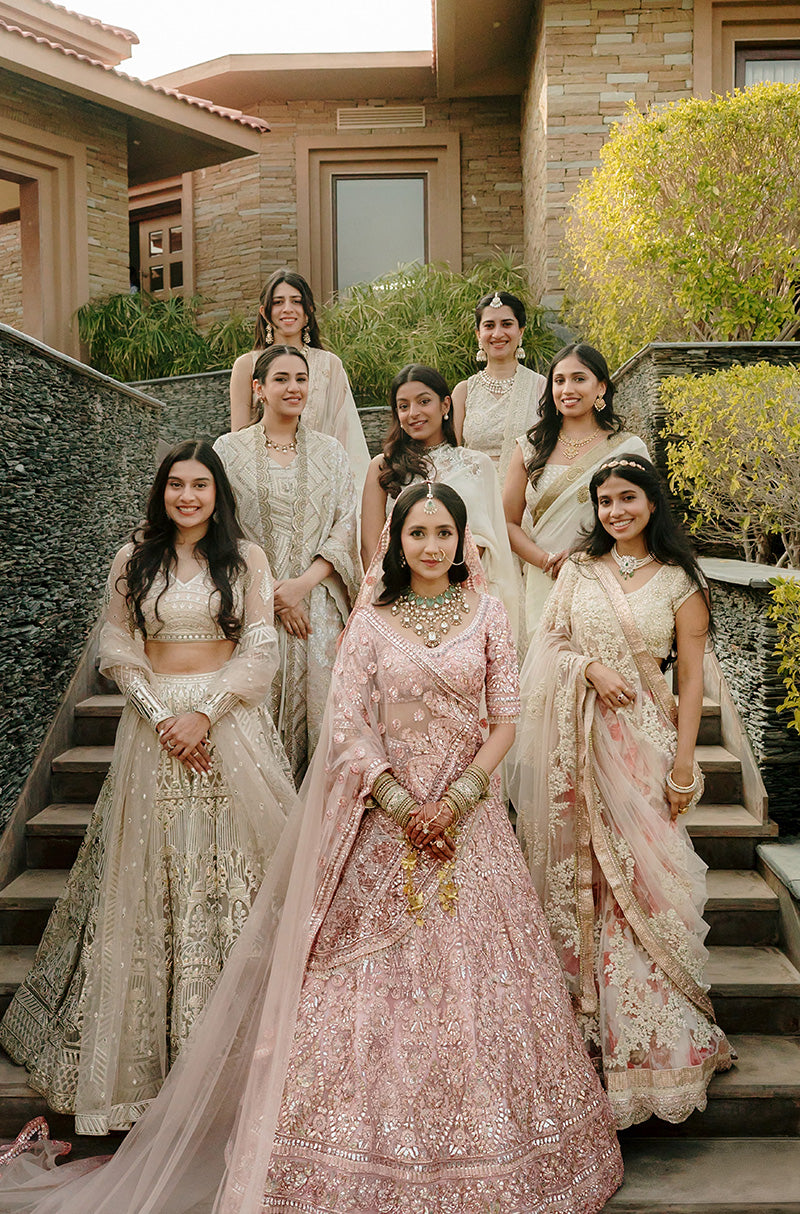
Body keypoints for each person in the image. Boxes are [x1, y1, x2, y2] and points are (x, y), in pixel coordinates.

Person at [0, 483, 623, 1214]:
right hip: (382, 824)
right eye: (416, 532)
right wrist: (394, 798)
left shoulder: (488, 612)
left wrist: (456, 800)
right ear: (395, 541)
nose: (430, 545)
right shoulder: (372, 619)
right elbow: (348, 721)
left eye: (443, 533)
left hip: (468, 828)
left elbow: (506, 718)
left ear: (464, 542)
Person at [0, 442, 296, 1137]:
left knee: (233, 876)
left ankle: (237, 1055)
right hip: (154, 732)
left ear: (218, 493)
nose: (187, 497)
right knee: (156, 879)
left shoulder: (246, 558)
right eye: (175, 486)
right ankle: (156, 1065)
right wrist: (166, 717)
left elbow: (261, 647)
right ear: (161, 493)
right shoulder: (133, 560)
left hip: (229, 728)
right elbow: (117, 648)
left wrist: (207, 713)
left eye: (199, 485)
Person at [510, 453, 733, 1130]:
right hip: (575, 750)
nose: (615, 511)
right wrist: (589, 668)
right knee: (589, 885)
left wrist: (685, 765)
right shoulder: (576, 571)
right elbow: (544, 648)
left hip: (643, 750)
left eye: (628, 499)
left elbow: (690, 680)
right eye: (605, 501)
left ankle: (656, 1052)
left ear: (651, 504)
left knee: (645, 884)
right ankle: (582, 1042)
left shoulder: (681, 582)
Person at [215, 345, 360, 783]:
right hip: (251, 608)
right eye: (281, 379)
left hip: (318, 610)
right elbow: (222, 527)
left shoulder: (331, 453)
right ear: (258, 389)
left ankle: (320, 837)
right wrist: (275, 595)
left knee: (326, 717)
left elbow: (347, 524)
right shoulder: (229, 451)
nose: (293, 387)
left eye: (300, 378)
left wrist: (302, 586)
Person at [503, 341, 648, 639]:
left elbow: (644, 518)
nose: (567, 389)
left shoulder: (628, 447)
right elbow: (506, 523)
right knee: (549, 668)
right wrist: (546, 561)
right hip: (545, 578)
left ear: (601, 388)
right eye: (559, 380)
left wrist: (588, 554)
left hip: (609, 573)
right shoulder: (529, 447)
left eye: (579, 379)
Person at [360, 364, 518, 623]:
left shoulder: (477, 465)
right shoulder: (383, 466)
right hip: (401, 599)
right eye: (403, 406)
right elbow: (371, 547)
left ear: (445, 406)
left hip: (466, 598)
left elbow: (493, 542)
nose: (414, 413)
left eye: (424, 401)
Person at [229, 268, 370, 487]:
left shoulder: (329, 365)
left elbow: (345, 436)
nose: (287, 309)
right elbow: (238, 440)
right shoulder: (247, 366)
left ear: (308, 311)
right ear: (265, 312)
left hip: (321, 484)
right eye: (278, 302)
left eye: (296, 301)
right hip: (264, 483)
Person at [450, 289, 547, 481]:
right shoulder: (464, 392)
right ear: (478, 334)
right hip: (474, 495)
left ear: (520, 331)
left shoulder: (540, 386)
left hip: (525, 497)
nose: (497, 333)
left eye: (506, 324)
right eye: (489, 325)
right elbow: (449, 455)